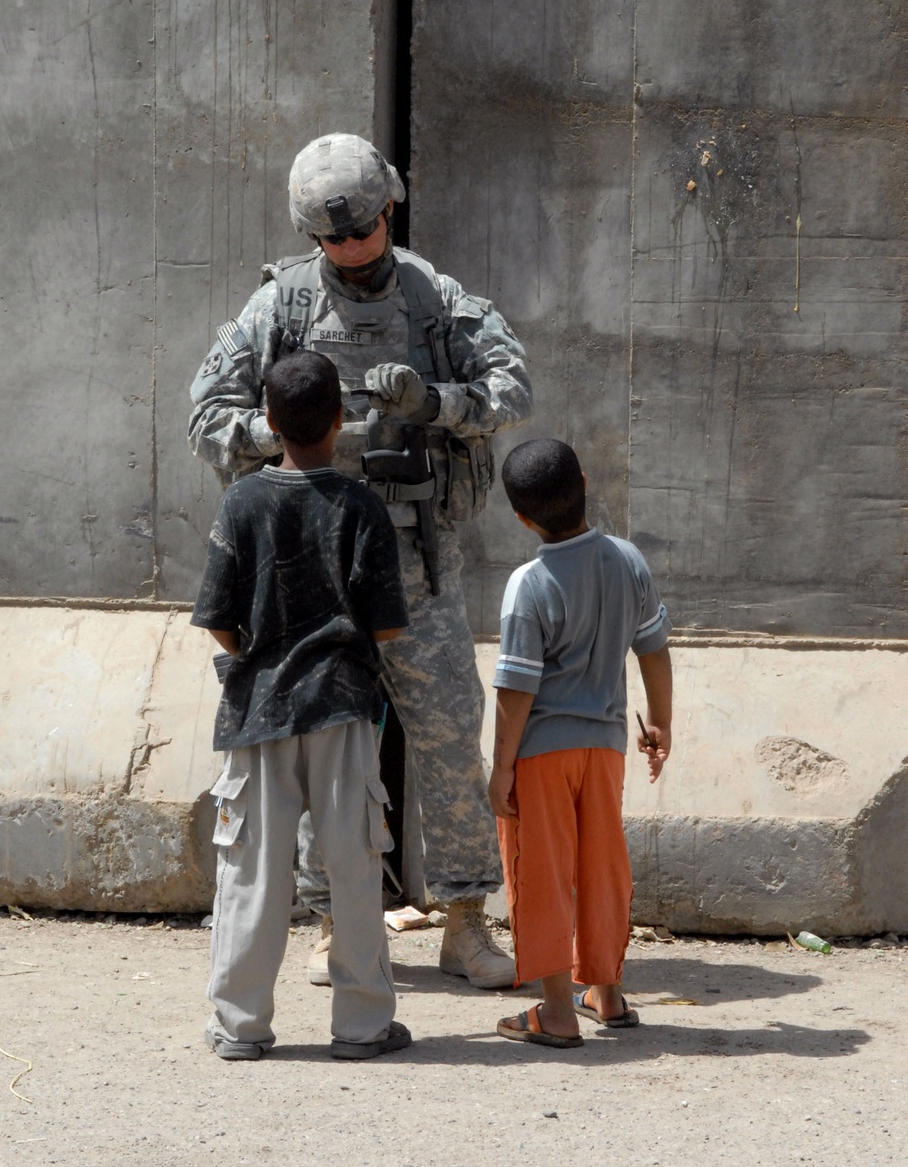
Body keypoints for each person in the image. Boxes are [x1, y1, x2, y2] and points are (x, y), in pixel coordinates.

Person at [188, 132, 533, 989]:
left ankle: (464, 922)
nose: (350, 248)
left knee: (449, 735)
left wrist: (436, 404)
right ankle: (332, 923)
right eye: (332, 239)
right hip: (316, 567)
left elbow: (511, 390)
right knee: (326, 743)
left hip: (418, 562)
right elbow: (209, 414)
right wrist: (297, 427)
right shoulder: (283, 308)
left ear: (390, 207)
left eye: (363, 230)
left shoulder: (436, 299)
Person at [190, 350, 412, 1061]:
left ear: (267, 420)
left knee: (252, 868)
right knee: (352, 863)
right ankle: (362, 1025)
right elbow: (387, 626)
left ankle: (240, 1025)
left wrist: (259, 650)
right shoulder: (361, 507)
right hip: (344, 707)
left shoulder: (242, 501)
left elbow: (219, 617)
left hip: (259, 712)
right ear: (342, 422)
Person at [487, 439, 673, 1047]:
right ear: (586, 483)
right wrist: (661, 723)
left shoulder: (528, 584)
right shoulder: (628, 561)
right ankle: (608, 994)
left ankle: (556, 1012)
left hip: (541, 753)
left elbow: (516, 690)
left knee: (541, 874)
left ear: (522, 518)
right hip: (607, 749)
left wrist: (500, 769)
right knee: (601, 867)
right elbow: (653, 647)